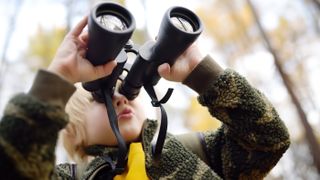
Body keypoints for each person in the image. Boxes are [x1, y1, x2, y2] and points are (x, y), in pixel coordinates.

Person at [0, 15, 290, 180]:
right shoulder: (70, 177)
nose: (120, 98)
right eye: (100, 97)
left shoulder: (197, 151)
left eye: (128, 89)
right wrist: (60, 77)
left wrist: (201, 73)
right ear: (74, 132)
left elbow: (268, 140)